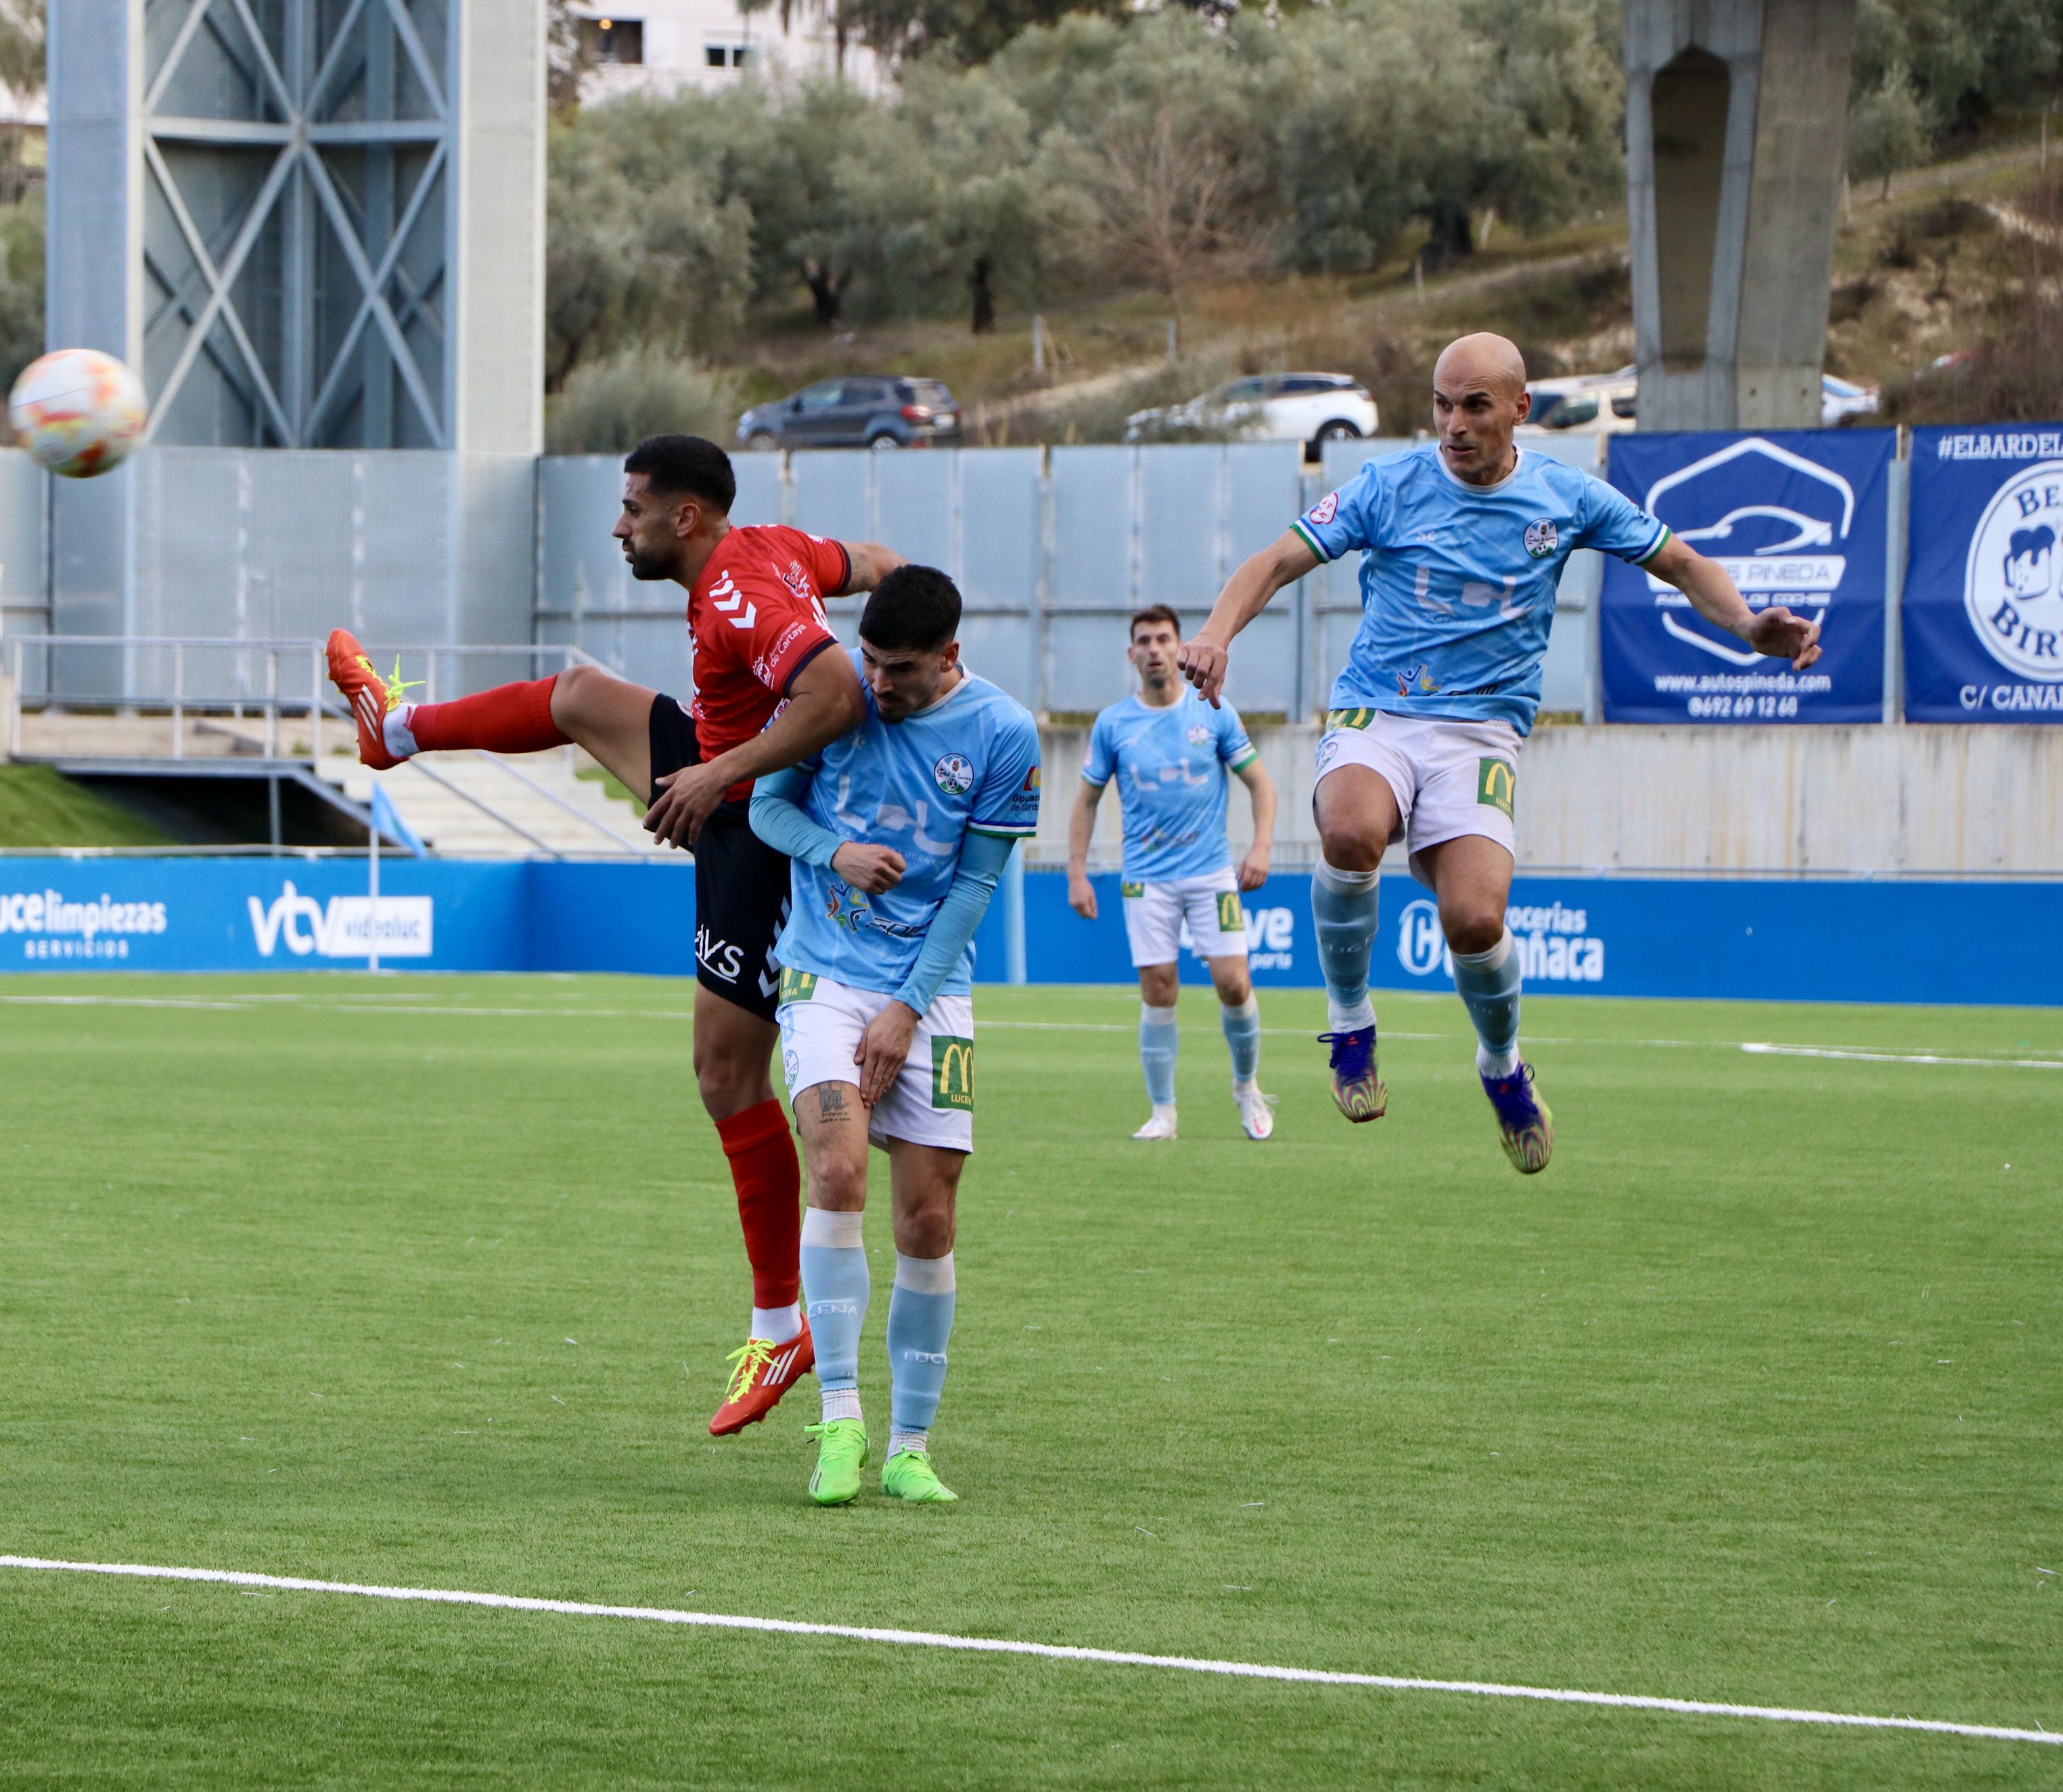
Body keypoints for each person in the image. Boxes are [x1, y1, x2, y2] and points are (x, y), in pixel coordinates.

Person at [324, 435, 903, 1435]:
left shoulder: (736, 594)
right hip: (727, 766)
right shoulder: (773, 548)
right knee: (582, 696)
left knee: (725, 1076)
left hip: (760, 830)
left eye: (632, 507)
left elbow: (838, 696)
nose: (618, 524)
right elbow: (886, 570)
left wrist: (721, 775)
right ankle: (397, 732)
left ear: (686, 517)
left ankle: (782, 1325)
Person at [1177, 332, 1821, 1173]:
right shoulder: (1390, 486)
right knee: (1350, 832)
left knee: (1475, 921)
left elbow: (1684, 562)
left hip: (1482, 732)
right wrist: (1218, 635)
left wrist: (1746, 626)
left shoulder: (1566, 496)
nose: (1454, 424)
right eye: (1442, 404)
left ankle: (1502, 1067)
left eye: (1475, 405)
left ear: (1520, 409)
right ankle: (1349, 1020)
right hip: (1383, 709)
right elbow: (1275, 561)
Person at [747, 566, 1040, 1506]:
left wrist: (908, 1009)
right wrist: (834, 851)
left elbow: (974, 887)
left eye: (900, 670)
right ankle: (840, 1423)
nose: (878, 684)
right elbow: (764, 804)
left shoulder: (1002, 733)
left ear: (950, 656)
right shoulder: (836, 700)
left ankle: (911, 1447)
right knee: (835, 1170)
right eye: (869, 660)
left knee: (928, 1219)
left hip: (932, 989)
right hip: (823, 973)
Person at [1065, 604, 1276, 1142]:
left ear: (1180, 649)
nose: (1154, 649)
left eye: (1164, 639)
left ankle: (1248, 1088)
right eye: (1144, 640)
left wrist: (1261, 847)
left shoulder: (1213, 712)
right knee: (1159, 989)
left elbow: (1261, 785)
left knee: (1234, 983)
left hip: (1210, 874)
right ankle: (1164, 1113)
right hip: (1146, 879)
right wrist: (1077, 872)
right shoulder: (1114, 723)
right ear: (1132, 654)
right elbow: (1086, 801)